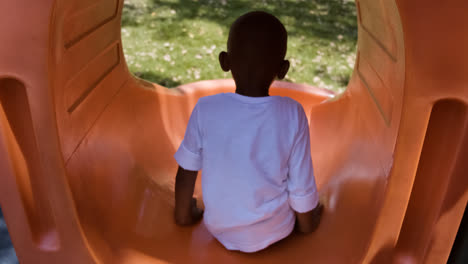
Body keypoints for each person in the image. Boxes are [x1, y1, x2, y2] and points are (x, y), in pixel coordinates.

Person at [173, 11, 323, 253]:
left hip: (218, 228)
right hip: (277, 231)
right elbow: (301, 183)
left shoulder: (206, 109)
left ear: (225, 61)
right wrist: (307, 224)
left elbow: (187, 169)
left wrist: (184, 215)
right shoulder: (292, 113)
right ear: (283, 69)